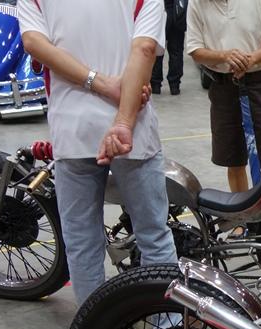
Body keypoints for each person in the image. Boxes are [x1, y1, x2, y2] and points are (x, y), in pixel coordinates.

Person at [18, 0, 178, 305]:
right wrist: (123, 121)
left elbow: (34, 43)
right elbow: (144, 49)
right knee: (154, 236)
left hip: (73, 128)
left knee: (82, 242)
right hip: (134, 131)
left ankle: (93, 326)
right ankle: (166, 324)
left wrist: (100, 83)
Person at [187, 0, 261, 193]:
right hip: (223, 85)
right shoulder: (197, 3)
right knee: (233, 158)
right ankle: (242, 210)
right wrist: (225, 56)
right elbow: (195, 50)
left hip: (260, 83)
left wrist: (251, 59)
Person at [152, 0, 187, 95]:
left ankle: (155, 84)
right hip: (177, 12)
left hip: (159, 13)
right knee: (176, 51)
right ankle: (174, 85)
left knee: (157, 50)